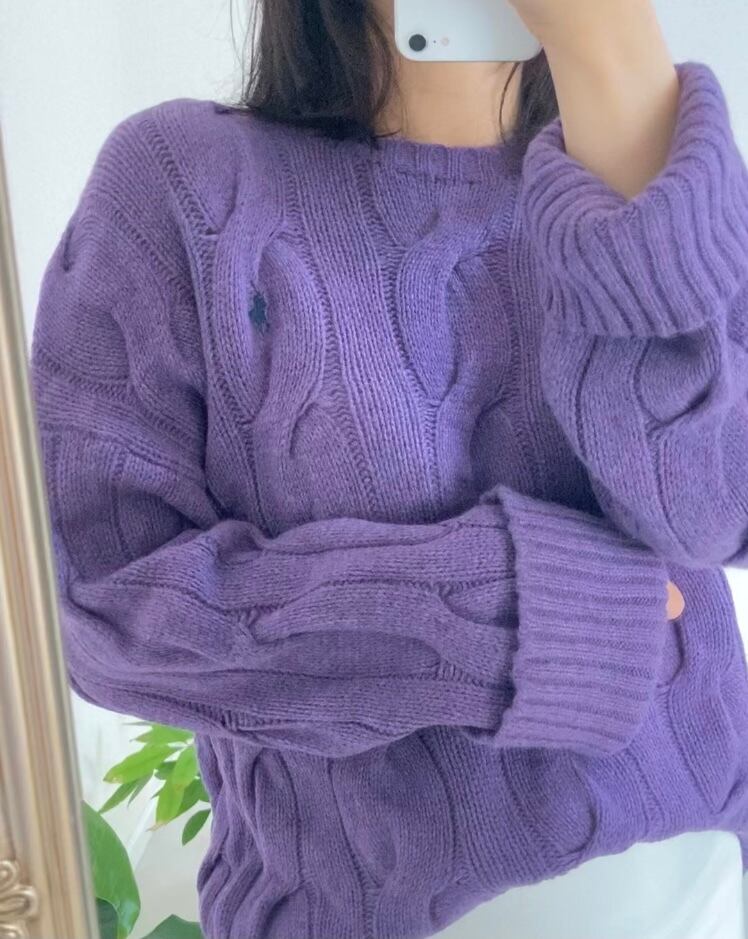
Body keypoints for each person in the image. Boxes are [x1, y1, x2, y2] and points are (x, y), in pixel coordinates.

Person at [28, 1, 748, 937]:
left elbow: (718, 503)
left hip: (709, 885)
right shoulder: (183, 187)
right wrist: (511, 616)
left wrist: (618, 73)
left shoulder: (662, 165)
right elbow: (95, 609)